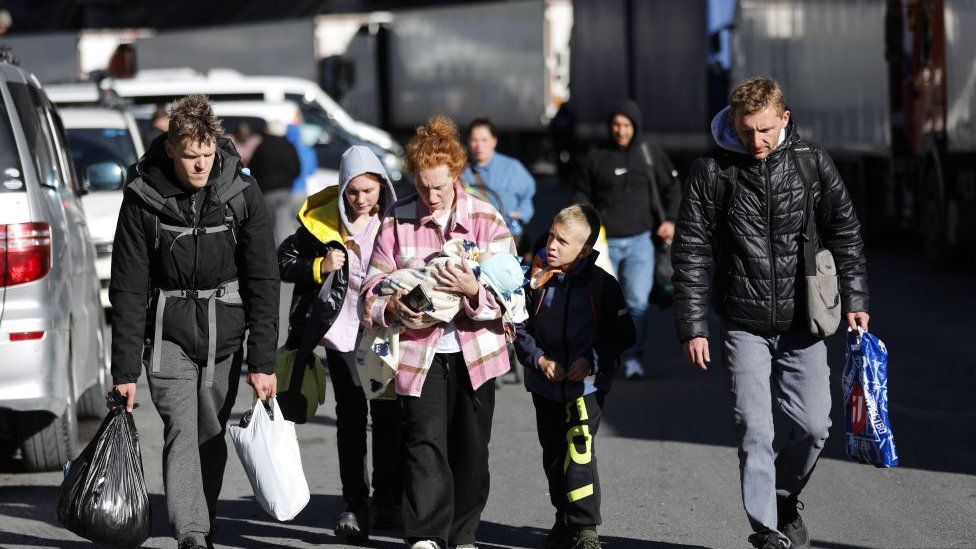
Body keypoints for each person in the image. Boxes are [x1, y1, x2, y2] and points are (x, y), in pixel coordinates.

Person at [671, 77, 870, 549]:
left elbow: (846, 234)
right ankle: (766, 530)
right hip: (742, 323)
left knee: (814, 426)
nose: (755, 142)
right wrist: (692, 325)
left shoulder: (811, 164)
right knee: (755, 429)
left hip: (805, 323)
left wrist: (857, 300)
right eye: (745, 131)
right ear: (733, 123)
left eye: (763, 130)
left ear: (784, 118)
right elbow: (692, 251)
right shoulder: (712, 171)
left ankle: (782, 498)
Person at [109, 95, 279, 549]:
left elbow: (263, 277)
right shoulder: (142, 198)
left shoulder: (240, 193)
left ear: (215, 147)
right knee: (181, 427)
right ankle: (191, 532)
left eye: (206, 155)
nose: (200, 165)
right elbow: (127, 286)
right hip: (168, 331)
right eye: (190, 156)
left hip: (225, 331)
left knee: (210, 429)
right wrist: (124, 370)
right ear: (170, 148)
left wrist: (262, 360)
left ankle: (202, 514)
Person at [361, 116, 515, 549]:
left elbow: (511, 298)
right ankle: (425, 535)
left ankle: (462, 534)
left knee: (471, 449)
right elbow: (369, 292)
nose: (431, 196)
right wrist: (391, 307)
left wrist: (472, 289)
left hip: (476, 353)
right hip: (417, 353)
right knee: (423, 443)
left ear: (457, 176)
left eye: (440, 188)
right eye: (424, 187)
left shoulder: (486, 218)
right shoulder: (396, 218)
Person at [278, 145, 400, 542]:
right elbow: (282, 262)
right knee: (350, 416)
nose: (360, 199)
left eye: (368, 190)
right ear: (342, 188)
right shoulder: (321, 223)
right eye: (352, 191)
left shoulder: (396, 222)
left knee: (386, 417)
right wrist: (320, 266)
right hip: (342, 331)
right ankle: (355, 503)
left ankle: (388, 499)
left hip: (383, 330)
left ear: (381, 187)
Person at [515, 204, 635, 549]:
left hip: (586, 385)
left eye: (562, 241)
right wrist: (538, 360)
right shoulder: (534, 279)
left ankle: (586, 529)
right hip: (546, 383)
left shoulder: (602, 285)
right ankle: (563, 517)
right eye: (551, 236)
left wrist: (592, 359)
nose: (551, 245)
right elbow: (518, 327)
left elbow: (624, 334)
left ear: (583, 250)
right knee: (553, 454)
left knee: (578, 448)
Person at [572, 100, 681, 380]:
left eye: (627, 125)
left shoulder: (649, 153)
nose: (621, 131)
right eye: (616, 125)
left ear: (636, 126)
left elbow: (672, 188)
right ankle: (603, 356)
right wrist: (585, 225)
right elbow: (581, 194)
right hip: (604, 245)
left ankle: (633, 357)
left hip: (640, 242)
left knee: (636, 302)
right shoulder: (597, 157)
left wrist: (669, 220)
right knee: (601, 304)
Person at [460, 117, 536, 249]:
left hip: (508, 236)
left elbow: (527, 198)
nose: (479, 145)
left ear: (494, 141)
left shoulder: (512, 167)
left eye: (484, 140)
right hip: (475, 239)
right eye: (474, 140)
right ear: (468, 142)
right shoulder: (461, 171)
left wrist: (519, 214)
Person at [249, 119, 302, 245]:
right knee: (282, 228)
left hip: (266, 193)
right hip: (285, 192)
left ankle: (268, 256)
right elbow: (297, 169)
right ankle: (281, 256)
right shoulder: (290, 147)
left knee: (266, 227)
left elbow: (253, 169)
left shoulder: (262, 147)